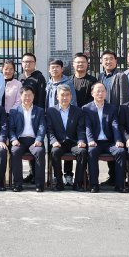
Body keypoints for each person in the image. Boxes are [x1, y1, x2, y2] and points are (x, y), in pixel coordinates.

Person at [83, 83, 127, 193]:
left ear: (106, 93)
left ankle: (120, 185)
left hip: (109, 142)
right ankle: (94, 185)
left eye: (103, 91)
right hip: (95, 142)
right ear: (92, 93)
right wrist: (90, 140)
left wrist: (118, 140)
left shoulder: (112, 108)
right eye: (98, 91)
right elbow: (87, 126)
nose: (100, 93)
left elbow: (115, 125)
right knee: (91, 151)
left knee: (121, 151)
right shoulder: (86, 108)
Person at [97, 50, 129, 187]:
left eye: (111, 59)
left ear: (116, 61)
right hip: (104, 118)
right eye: (105, 59)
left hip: (116, 117)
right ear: (101, 61)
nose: (108, 61)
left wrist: (121, 118)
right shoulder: (100, 76)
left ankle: (120, 177)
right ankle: (112, 177)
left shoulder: (121, 76)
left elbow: (124, 99)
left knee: (118, 147)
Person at [46, 84, 87, 191]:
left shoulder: (78, 111)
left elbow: (81, 129)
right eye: (62, 95)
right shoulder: (51, 111)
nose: (65, 98)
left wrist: (81, 140)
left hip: (73, 143)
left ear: (71, 96)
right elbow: (49, 130)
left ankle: (78, 183)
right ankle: (59, 183)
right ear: (57, 97)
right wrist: (53, 141)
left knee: (82, 152)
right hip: (59, 143)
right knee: (54, 152)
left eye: (67, 95)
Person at [45, 58, 77, 186]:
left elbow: (72, 101)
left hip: (66, 118)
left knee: (68, 143)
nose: (54, 69)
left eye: (57, 67)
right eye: (52, 67)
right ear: (49, 69)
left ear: (62, 69)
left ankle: (68, 175)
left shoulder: (68, 83)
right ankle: (54, 174)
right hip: (51, 119)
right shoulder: (48, 84)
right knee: (53, 148)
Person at [8, 87, 46, 192]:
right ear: (20, 96)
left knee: (40, 151)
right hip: (20, 141)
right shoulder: (14, 111)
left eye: (30, 95)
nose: (27, 98)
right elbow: (10, 129)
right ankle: (17, 184)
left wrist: (39, 139)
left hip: (34, 141)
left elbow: (42, 127)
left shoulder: (39, 111)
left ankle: (39, 184)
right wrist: (13, 139)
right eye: (25, 95)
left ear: (33, 96)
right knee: (15, 151)